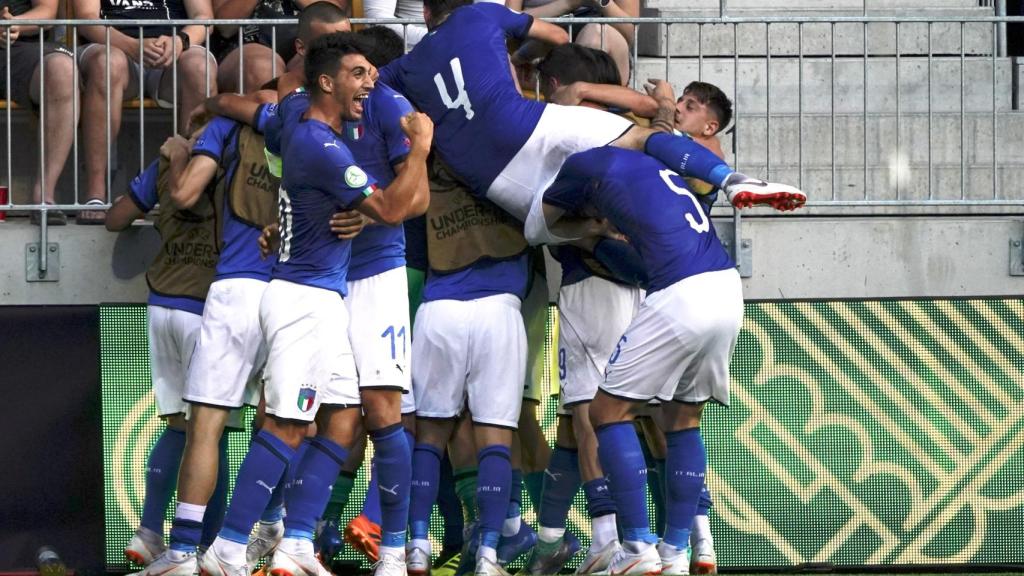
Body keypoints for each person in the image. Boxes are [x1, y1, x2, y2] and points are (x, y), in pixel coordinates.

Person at [199, 32, 433, 576]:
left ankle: (377, 551)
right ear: (322, 77)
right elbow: (297, 176)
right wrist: (294, 220)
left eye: (372, 72)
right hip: (313, 287)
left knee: (366, 412)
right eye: (359, 73)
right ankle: (246, 539)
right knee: (290, 417)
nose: (369, 83)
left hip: (371, 272)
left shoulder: (388, 107)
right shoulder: (301, 119)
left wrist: (352, 213)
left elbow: (413, 201)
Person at [378, 0, 805, 248]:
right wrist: (510, 58)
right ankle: (730, 180)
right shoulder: (481, 14)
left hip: (491, 177)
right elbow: (560, 38)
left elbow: (377, 95)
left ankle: (605, 231)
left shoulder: (400, 69)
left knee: (571, 230)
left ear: (427, 11)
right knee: (639, 139)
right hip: (525, 122)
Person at [541, 147, 743, 576]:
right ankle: (679, 550)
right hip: (726, 285)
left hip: (675, 293)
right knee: (682, 419)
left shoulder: (597, 169)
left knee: (605, 411)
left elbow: (544, 223)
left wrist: (591, 229)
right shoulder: (665, 168)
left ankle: (633, 542)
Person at [105, 128, 222, 570]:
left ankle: (149, 530)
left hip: (161, 306)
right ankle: (206, 547)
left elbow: (115, 218)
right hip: (205, 310)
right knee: (212, 432)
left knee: (179, 427)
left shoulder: (167, 161)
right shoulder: (229, 165)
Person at [74, 0, 218, 223]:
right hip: (113, 45)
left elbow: (204, 17)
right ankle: (95, 193)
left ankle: (191, 189)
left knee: (200, 67)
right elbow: (85, 18)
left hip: (170, 51)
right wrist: (132, 45)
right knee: (107, 64)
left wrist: (181, 41)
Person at [1, 0, 76, 225]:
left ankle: (44, 197)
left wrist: (13, 25)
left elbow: (47, 11)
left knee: (62, 70)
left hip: (19, 47)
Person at [211, 0, 349, 94]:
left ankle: (310, 132)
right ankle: (266, 133)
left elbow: (335, 15)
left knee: (322, 60)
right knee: (261, 66)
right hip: (246, 45)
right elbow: (225, 27)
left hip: (304, 43)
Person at [505, 0, 638, 86]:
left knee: (596, 34)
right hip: (543, 52)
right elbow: (508, 20)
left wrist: (603, 2)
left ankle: (584, 99)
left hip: (603, 52)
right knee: (548, 39)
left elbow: (630, 33)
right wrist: (567, 4)